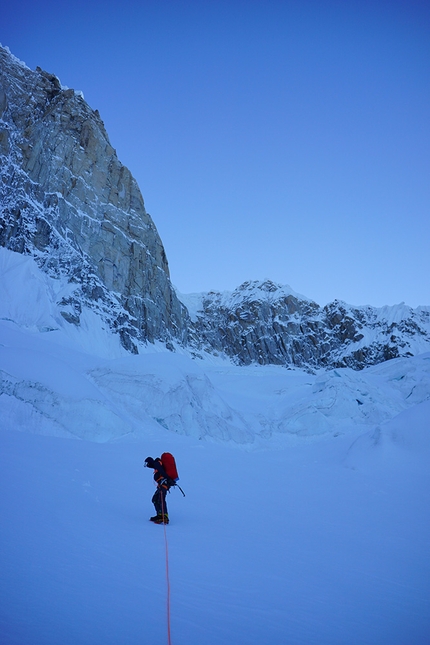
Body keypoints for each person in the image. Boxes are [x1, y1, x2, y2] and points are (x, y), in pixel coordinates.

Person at [144, 456, 175, 524]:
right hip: (162, 485)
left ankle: (164, 516)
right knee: (155, 499)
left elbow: (162, 471)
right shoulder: (156, 465)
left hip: (164, 485)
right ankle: (160, 515)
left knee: (160, 499)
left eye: (147, 464)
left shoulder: (156, 464)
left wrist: (168, 479)